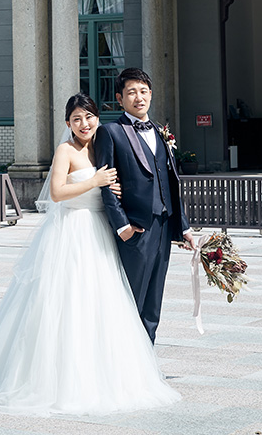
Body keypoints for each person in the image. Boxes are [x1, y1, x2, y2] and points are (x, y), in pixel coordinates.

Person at [0, 93, 180, 416]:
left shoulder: (104, 148)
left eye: (89, 117)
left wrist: (115, 189)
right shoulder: (65, 151)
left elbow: (120, 185)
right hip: (72, 233)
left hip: (100, 235)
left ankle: (99, 376)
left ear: (98, 118)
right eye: (76, 119)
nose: (84, 124)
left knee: (100, 309)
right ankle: (55, 381)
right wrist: (96, 181)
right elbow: (57, 193)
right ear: (68, 124)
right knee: (65, 306)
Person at [95, 67, 197, 344]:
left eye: (143, 91)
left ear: (150, 94)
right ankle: (122, 358)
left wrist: (183, 226)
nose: (138, 97)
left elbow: (171, 181)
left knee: (154, 300)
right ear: (120, 98)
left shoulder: (160, 131)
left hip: (164, 225)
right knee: (131, 295)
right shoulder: (111, 132)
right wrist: (122, 226)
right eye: (131, 93)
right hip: (136, 228)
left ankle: (146, 360)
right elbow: (106, 182)